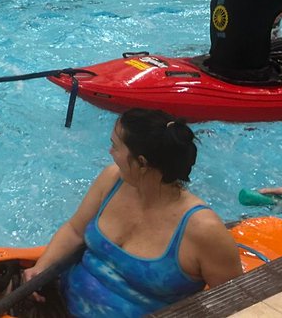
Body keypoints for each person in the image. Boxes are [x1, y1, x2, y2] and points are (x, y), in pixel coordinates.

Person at [24, 108, 242, 318]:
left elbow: (236, 304)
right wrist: (41, 268)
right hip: (60, 304)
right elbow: (75, 231)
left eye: (115, 146)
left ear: (141, 162)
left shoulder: (203, 230)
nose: (110, 152)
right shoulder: (112, 180)